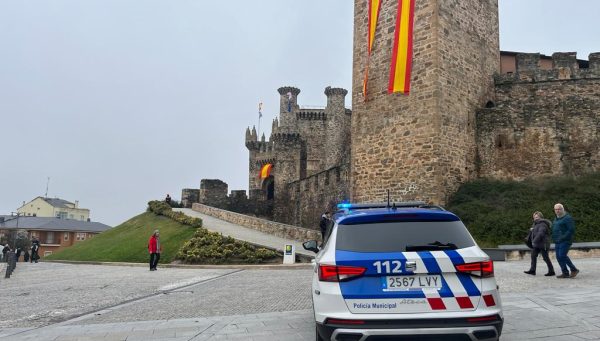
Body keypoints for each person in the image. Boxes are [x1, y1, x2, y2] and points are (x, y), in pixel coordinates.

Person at [552, 203, 579, 279]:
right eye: (556, 209)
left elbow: (571, 230)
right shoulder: (556, 218)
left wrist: (563, 237)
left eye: (559, 209)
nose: (557, 211)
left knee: (562, 255)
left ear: (562, 209)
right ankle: (565, 273)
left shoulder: (567, 218)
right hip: (557, 241)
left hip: (565, 240)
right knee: (558, 257)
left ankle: (574, 269)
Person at [524, 211, 555, 276]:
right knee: (533, 255)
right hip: (537, 244)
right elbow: (535, 233)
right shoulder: (535, 224)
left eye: (537, 217)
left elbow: (541, 233)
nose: (535, 218)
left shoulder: (543, 224)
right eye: (534, 217)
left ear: (541, 217)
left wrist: (534, 241)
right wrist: (532, 230)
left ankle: (551, 271)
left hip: (543, 244)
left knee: (545, 258)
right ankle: (532, 270)